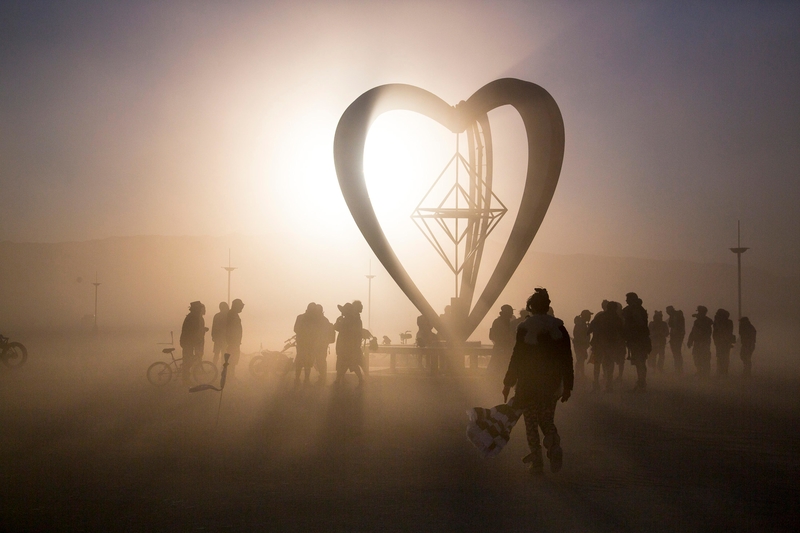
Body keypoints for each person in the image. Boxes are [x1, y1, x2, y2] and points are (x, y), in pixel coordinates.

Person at [502, 288, 573, 475]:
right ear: (548, 306)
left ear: (531, 307)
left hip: (528, 384)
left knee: (531, 423)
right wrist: (568, 386)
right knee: (547, 419)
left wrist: (508, 383)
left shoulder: (525, 328)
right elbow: (567, 359)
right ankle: (554, 444)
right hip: (552, 383)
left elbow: (517, 356)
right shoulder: (559, 329)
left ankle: (537, 460)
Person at [587, 300, 625, 392]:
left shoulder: (600, 316)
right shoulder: (616, 318)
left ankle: (596, 384)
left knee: (597, 364)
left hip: (599, 344)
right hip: (611, 344)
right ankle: (609, 385)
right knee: (609, 364)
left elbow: (589, 330)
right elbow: (622, 333)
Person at [622, 293, 651, 392]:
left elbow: (640, 324)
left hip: (638, 340)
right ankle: (641, 382)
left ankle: (641, 383)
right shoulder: (637, 309)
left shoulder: (634, 310)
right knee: (640, 362)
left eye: (627, 299)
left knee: (640, 362)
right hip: (638, 339)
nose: (626, 301)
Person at [333, 302, 364, 387]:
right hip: (349, 345)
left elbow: (337, 328)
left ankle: (338, 380)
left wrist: (338, 321)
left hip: (346, 345)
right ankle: (339, 380)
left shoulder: (348, 320)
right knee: (350, 363)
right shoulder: (354, 319)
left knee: (346, 363)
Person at [310, 304, 335, 385]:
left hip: (319, 344)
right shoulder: (325, 320)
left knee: (319, 361)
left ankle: (322, 378)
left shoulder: (317, 320)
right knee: (321, 361)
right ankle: (322, 377)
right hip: (323, 344)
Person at [487, 305, 515, 376]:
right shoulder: (508, 322)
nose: (512, 313)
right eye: (511, 312)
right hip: (504, 348)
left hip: (500, 347)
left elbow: (492, 336)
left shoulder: (497, 321)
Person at [179, 301, 204, 383]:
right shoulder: (193, 317)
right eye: (200, 308)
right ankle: (185, 379)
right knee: (188, 360)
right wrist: (197, 341)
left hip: (188, 341)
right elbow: (192, 332)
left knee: (188, 359)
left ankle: (186, 377)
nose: (201, 309)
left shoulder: (193, 316)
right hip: (187, 342)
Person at [294, 303, 317, 386]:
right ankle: (306, 379)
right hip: (309, 344)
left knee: (300, 361)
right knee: (307, 362)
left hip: (301, 343)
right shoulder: (314, 320)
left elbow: (295, 329)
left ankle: (297, 379)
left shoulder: (300, 317)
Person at [687, 305, 713, 378]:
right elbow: (693, 331)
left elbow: (707, 333)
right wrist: (690, 340)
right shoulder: (697, 321)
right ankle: (700, 371)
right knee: (696, 357)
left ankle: (705, 373)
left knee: (704, 357)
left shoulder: (707, 321)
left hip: (704, 342)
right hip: (697, 342)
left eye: (699, 311)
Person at [712, 309, 735, 377]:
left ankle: (723, 371)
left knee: (723, 357)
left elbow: (724, 332)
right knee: (721, 357)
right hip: (721, 342)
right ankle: (721, 371)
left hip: (723, 342)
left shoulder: (725, 322)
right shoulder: (725, 322)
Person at [226, 299, 245, 379]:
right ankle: (230, 376)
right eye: (240, 307)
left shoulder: (233, 314)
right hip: (233, 341)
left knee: (234, 359)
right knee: (232, 359)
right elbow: (231, 329)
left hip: (235, 341)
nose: (241, 309)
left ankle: (231, 375)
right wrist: (233, 340)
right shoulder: (232, 315)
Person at [572, 310, 593, 382]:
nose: (590, 317)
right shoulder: (581, 324)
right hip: (580, 344)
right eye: (589, 315)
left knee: (581, 359)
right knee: (580, 359)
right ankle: (578, 375)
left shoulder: (582, 323)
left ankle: (580, 375)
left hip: (580, 344)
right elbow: (580, 335)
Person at [665, 306, 686, 374]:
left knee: (677, 353)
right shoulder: (674, 316)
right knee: (676, 353)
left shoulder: (676, 316)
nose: (667, 313)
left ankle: (679, 369)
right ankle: (678, 369)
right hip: (675, 336)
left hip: (677, 337)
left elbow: (675, 326)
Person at [211, 302, 229, 366]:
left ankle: (214, 366)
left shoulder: (217, 316)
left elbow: (213, 327)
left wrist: (213, 336)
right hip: (223, 338)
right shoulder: (227, 316)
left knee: (217, 354)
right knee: (222, 354)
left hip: (218, 338)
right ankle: (221, 366)